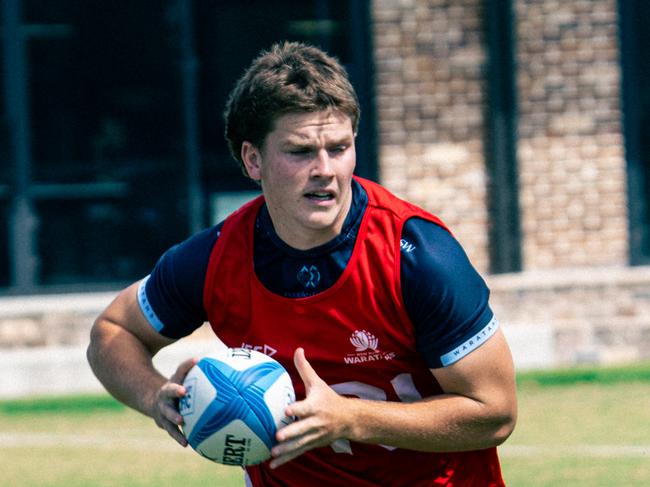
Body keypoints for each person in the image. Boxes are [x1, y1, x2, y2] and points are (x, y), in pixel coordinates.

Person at [87, 41, 517, 486]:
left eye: (339, 147)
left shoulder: (418, 256)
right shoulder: (214, 258)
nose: (325, 169)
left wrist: (350, 418)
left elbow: (495, 412)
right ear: (253, 159)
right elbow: (113, 332)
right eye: (300, 151)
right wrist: (156, 394)